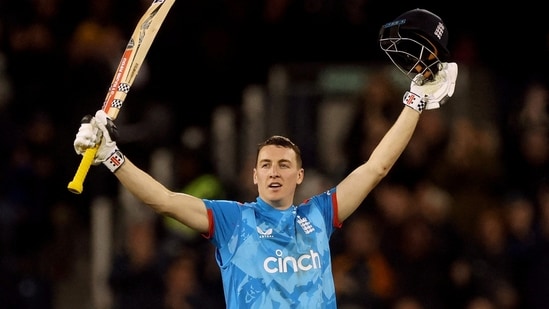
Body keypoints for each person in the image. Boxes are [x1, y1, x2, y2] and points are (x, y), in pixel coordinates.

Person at [73, 8, 458, 309]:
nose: (275, 171)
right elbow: (163, 199)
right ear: (254, 177)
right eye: (266, 165)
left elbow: (376, 167)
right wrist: (111, 155)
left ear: (300, 175)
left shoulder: (319, 216)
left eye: (284, 164)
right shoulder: (231, 221)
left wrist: (415, 99)